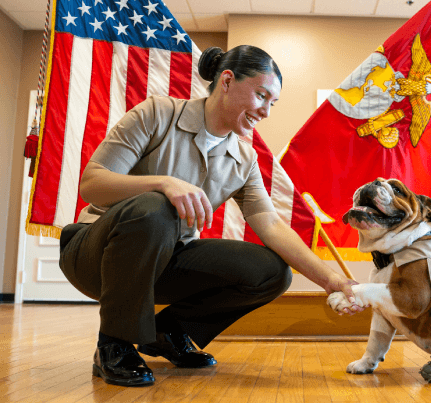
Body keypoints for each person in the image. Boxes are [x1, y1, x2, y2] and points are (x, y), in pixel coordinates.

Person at [58, 45, 364, 387]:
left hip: (162, 262)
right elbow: (91, 183)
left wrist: (332, 281)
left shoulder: (244, 159)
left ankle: (168, 333)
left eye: (272, 103)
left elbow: (272, 226)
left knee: (271, 272)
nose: (265, 110)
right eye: (261, 95)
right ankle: (113, 343)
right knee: (157, 207)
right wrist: (165, 183)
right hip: (94, 255)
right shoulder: (156, 113)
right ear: (228, 81)